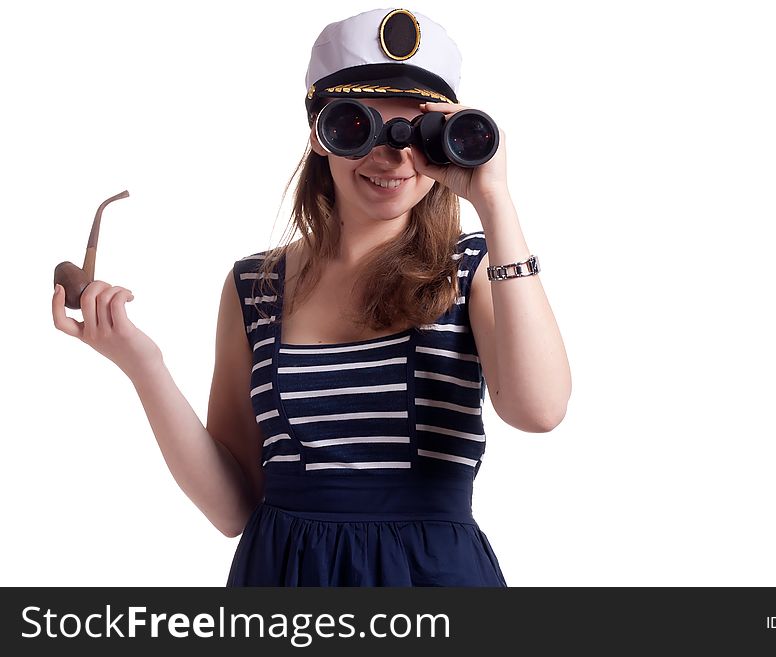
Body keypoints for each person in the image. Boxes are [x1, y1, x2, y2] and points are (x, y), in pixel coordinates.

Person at [51, 7, 571, 586]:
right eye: (359, 127)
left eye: (417, 131)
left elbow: (539, 410)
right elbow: (232, 510)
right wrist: (142, 366)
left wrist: (495, 201)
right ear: (320, 134)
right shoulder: (256, 288)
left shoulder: (472, 269)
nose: (391, 155)